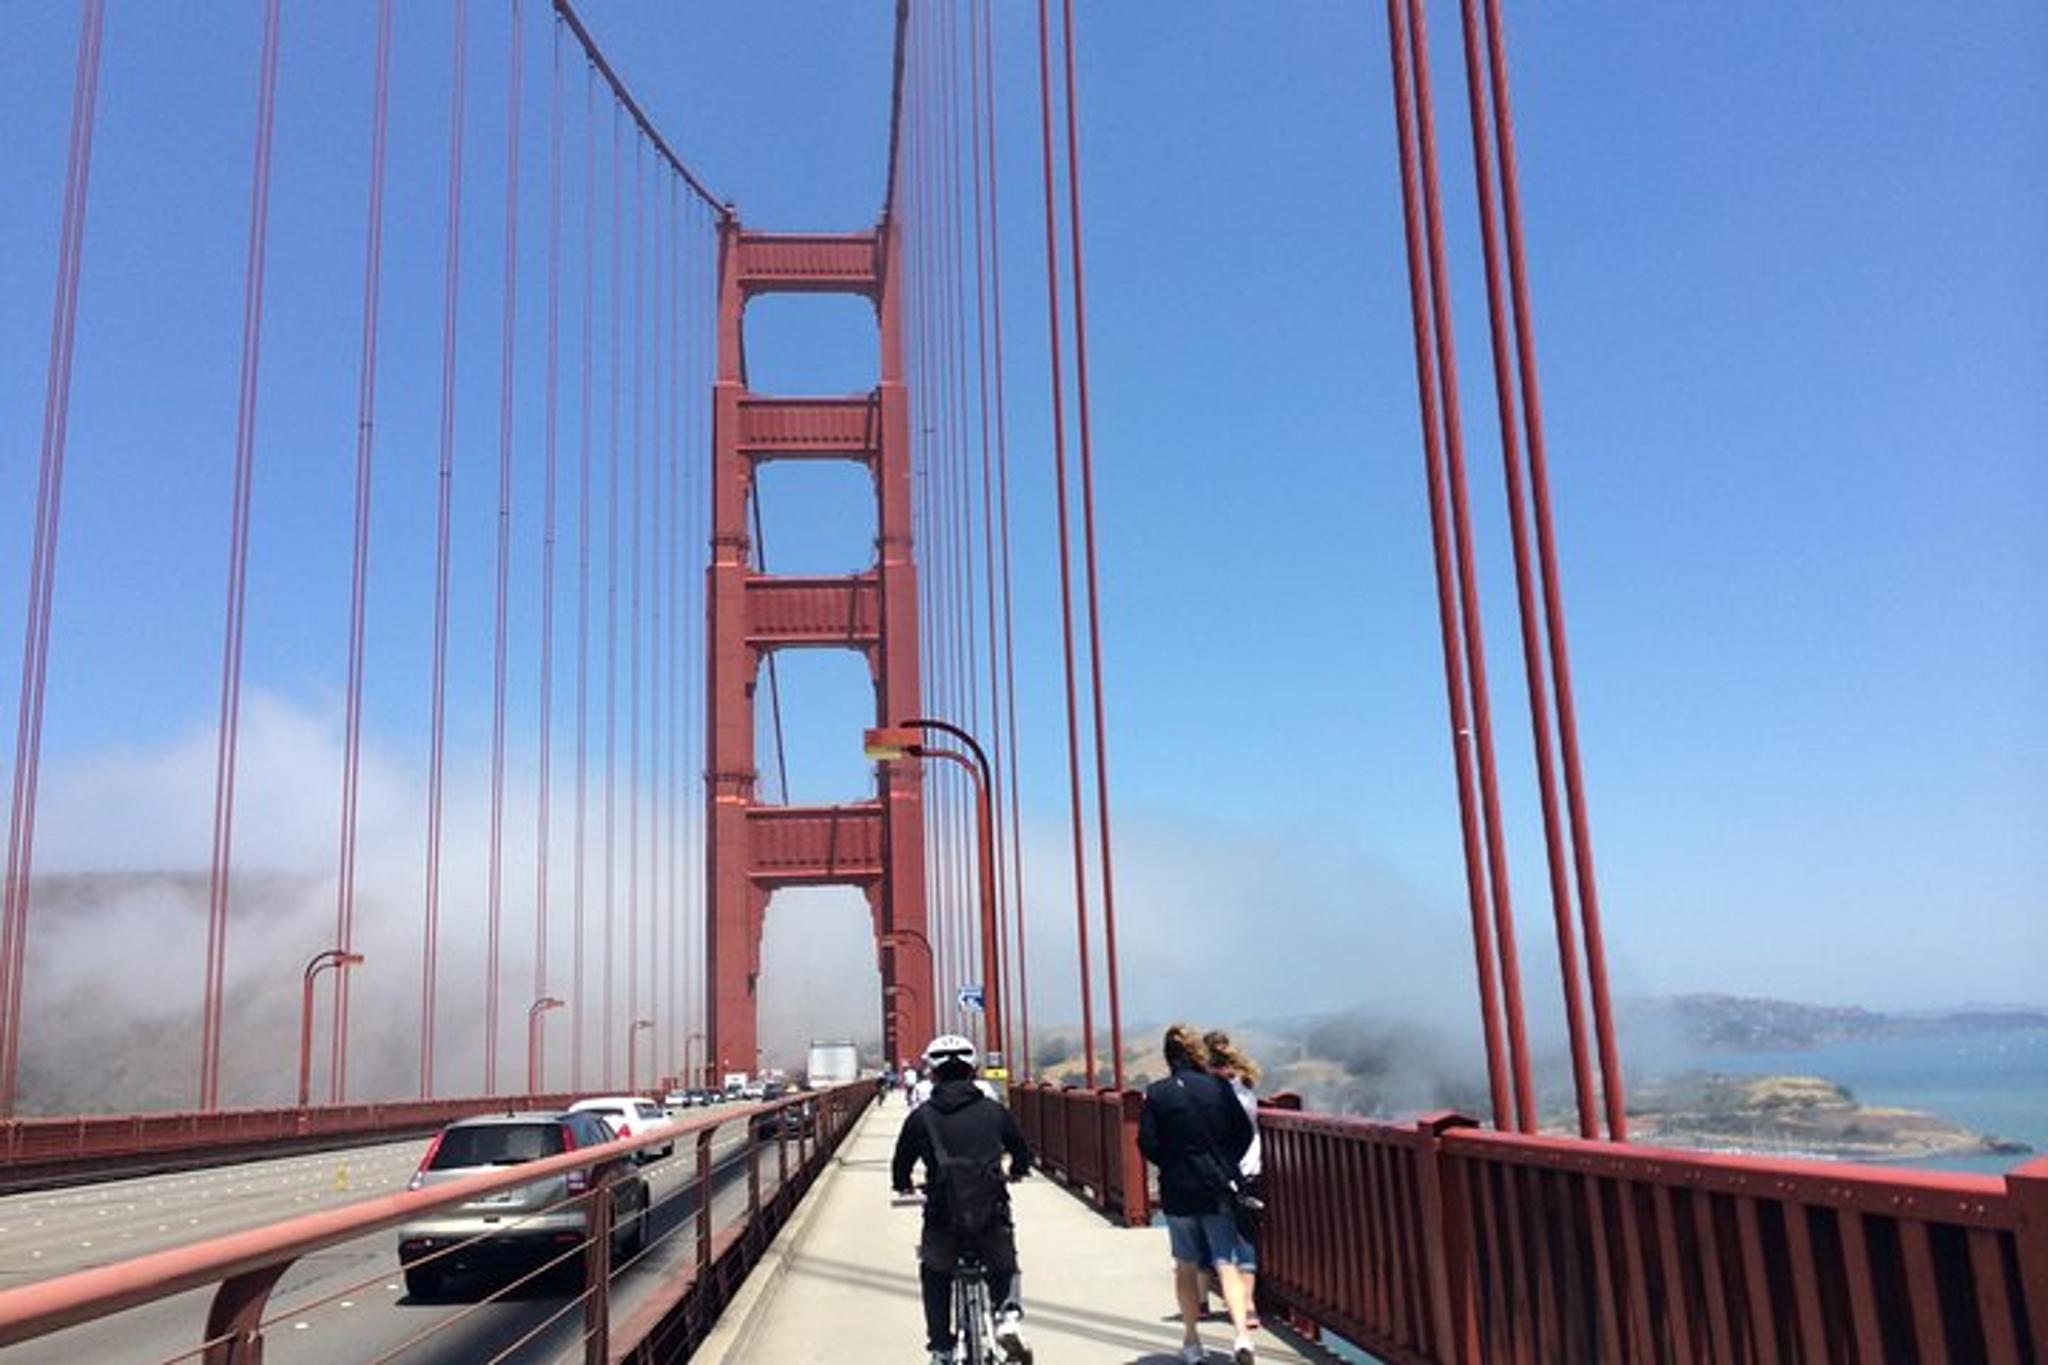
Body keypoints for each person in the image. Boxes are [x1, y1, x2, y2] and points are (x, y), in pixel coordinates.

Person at [891, 1034, 1035, 1365]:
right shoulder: (994, 1111)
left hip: (942, 1217)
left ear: (932, 1074)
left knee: (935, 1273)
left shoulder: (921, 1117)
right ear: (974, 1071)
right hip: (990, 1214)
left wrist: (904, 1187)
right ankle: (1007, 1316)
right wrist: (1017, 1170)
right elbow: (1021, 1152)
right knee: (1004, 1264)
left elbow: (900, 1166)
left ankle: (941, 1349)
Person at [1139, 1023, 1257, 1365]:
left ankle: (1192, 1342)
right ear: (1197, 1054)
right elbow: (1243, 1133)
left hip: (1178, 1189)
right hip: (1217, 1186)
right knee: (1226, 1262)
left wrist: (1173, 1163)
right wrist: (1223, 1163)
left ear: (1167, 1057)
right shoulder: (1218, 1088)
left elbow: (1148, 1143)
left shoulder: (1158, 1093)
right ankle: (1242, 1337)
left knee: (1186, 1265)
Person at [1205, 1029, 1264, 1331]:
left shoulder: (1209, 1090)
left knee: (1216, 1235)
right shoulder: (1246, 1084)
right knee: (1245, 1234)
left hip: (1218, 1170)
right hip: (1251, 1167)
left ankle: (1212, 1296)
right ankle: (1249, 1305)